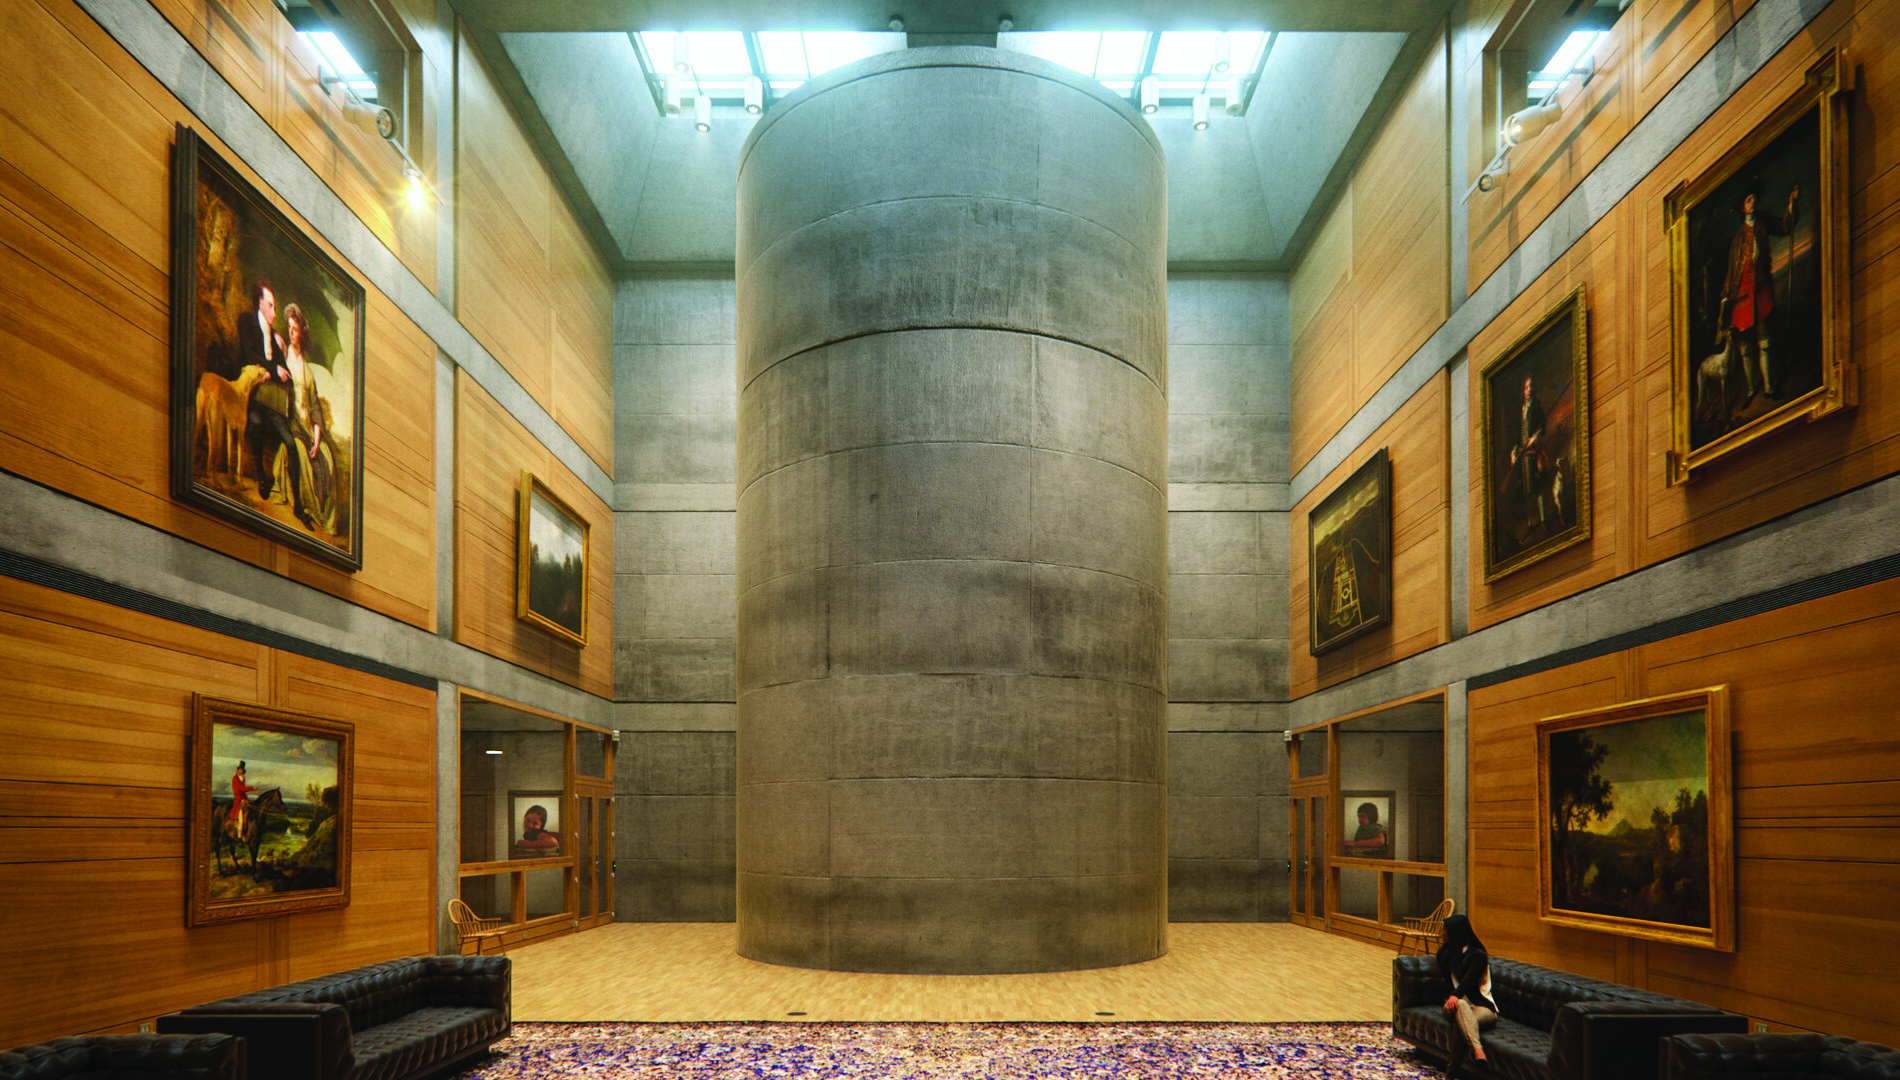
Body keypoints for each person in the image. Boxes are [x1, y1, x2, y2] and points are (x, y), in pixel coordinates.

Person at [1719, 183, 1800, 402]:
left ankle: (1768, 387)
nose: (1753, 202)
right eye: (1748, 200)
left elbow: (1785, 227)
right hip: (1741, 297)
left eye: (1754, 198)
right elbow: (1731, 272)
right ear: (1742, 208)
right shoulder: (1737, 239)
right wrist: (1726, 296)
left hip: (1761, 291)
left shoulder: (1763, 224)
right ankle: (1750, 389)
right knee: (1745, 346)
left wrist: (1792, 204)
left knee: (1765, 341)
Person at [280, 303, 337, 533]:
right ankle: (305, 509)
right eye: (289, 328)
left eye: (295, 329)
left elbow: (314, 409)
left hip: (307, 425)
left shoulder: (309, 371)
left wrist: (316, 440)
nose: (291, 333)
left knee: (328, 461)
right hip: (290, 420)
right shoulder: (283, 355)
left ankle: (324, 515)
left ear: (302, 333)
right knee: (302, 456)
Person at [1437, 914, 1499, 1077]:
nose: (1442, 933)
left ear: (1455, 932)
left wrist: (1455, 996)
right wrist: (1453, 999)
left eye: (1445, 930)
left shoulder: (1477, 956)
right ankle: (1477, 1051)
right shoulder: (1444, 954)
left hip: (1482, 1008)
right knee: (1460, 1006)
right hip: (1452, 1006)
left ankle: (1450, 1073)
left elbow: (1468, 981)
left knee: (1462, 1021)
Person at [1507, 374, 1549, 539]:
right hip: (1523, 456)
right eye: (1526, 387)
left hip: (1534, 454)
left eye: (1531, 386)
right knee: (1526, 492)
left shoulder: (1535, 405)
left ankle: (1543, 520)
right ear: (1523, 391)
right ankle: (1531, 523)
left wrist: (1535, 437)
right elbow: (1516, 435)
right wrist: (1514, 451)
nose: (1529, 389)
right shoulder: (1521, 409)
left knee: (1538, 488)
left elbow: (1542, 424)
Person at [229, 760, 260, 829]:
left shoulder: (243, 778)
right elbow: (242, 788)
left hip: (244, 797)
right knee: (240, 814)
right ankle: (238, 825)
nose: (241, 771)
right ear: (238, 770)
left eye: (242, 770)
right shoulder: (235, 779)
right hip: (238, 798)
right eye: (240, 770)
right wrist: (252, 788)